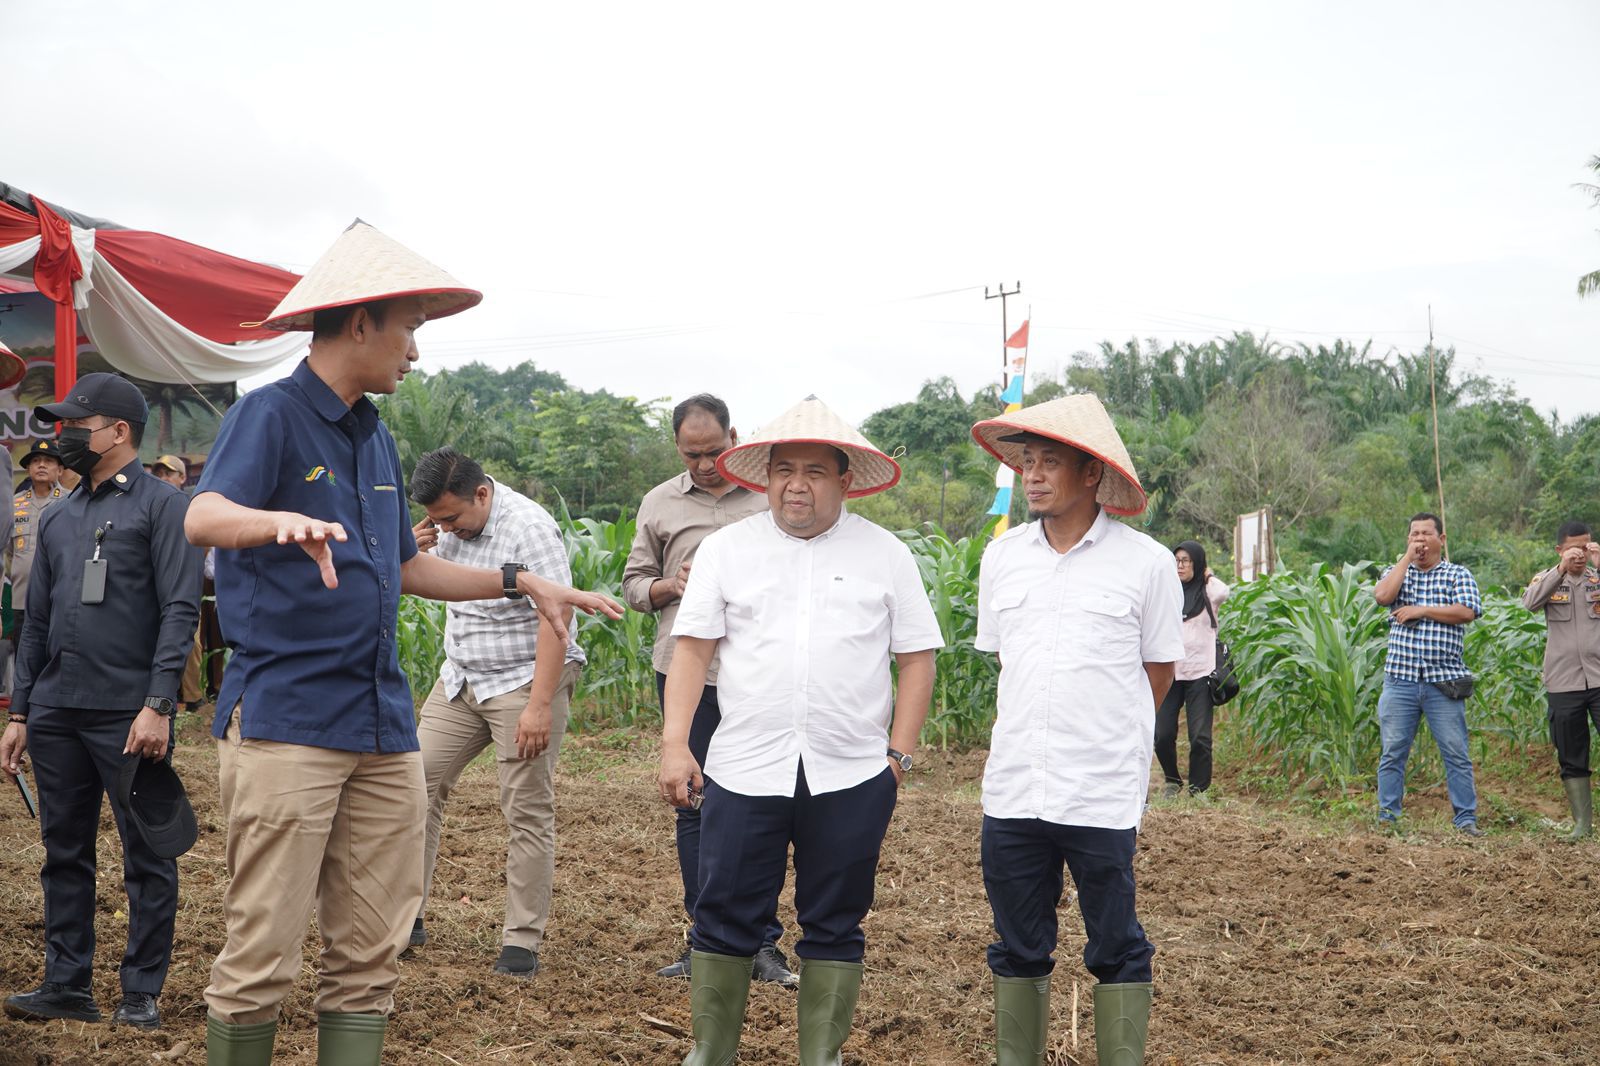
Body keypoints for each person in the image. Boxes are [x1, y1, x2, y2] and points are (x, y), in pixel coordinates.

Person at [185, 221, 621, 1066]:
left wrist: (517, 581)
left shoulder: (373, 434)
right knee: (262, 951)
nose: (416, 352)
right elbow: (204, 515)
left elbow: (411, 564)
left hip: (382, 724)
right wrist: (277, 520)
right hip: (289, 719)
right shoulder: (270, 416)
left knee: (370, 951)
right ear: (359, 323)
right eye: (410, 328)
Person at [656, 395, 941, 1065]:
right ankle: (711, 1051)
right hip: (744, 765)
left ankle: (823, 1055)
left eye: (814, 472)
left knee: (835, 919)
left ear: (845, 481)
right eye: (784, 470)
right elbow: (692, 650)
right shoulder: (729, 549)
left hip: (851, 771)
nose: (796, 485)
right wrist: (675, 744)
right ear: (765, 477)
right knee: (723, 914)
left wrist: (896, 757)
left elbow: (917, 659)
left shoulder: (886, 554)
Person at [969, 394, 1184, 1066]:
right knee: (1017, 945)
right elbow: (1013, 659)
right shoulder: (1002, 558)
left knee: (1116, 945)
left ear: (1092, 474)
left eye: (1048, 462)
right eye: (1025, 462)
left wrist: (1106, 732)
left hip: (1099, 788)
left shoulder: (1145, 562)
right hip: (1015, 786)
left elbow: (1159, 670)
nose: (1031, 475)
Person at [0, 373, 203, 1031]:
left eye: (75, 426)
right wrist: (21, 713)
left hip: (129, 712)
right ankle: (67, 983)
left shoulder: (162, 507)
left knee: (146, 853)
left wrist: (158, 702)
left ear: (118, 432)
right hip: (58, 710)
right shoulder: (57, 517)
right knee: (64, 850)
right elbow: (36, 622)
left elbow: (180, 607)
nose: (61, 438)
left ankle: (140, 991)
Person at [623, 393, 793, 987]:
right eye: (691, 454)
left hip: (759, 672)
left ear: (734, 438)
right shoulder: (659, 503)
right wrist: (673, 584)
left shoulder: (770, 496)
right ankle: (706, 940)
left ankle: (764, 945)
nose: (703, 464)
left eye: (714, 452)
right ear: (677, 448)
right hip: (686, 671)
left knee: (764, 804)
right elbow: (634, 586)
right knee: (694, 805)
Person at [407, 446, 586, 977]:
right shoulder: (442, 529)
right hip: (461, 678)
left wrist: (538, 706)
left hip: (524, 679)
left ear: (482, 494)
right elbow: (425, 573)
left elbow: (559, 616)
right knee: (413, 787)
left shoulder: (528, 527)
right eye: (437, 520)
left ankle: (521, 941)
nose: (446, 530)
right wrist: (412, 550)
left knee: (525, 807)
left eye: (453, 519)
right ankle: (405, 915)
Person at [1372, 512, 1483, 836]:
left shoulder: (1456, 575)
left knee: (1455, 752)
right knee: (1393, 751)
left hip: (1442, 682)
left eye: (1425, 534)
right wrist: (1405, 559)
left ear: (1441, 539)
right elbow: (1382, 596)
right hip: (1401, 680)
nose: (1419, 540)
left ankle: (1465, 820)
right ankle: (1387, 817)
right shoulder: (1397, 573)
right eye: (1413, 535)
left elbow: (1466, 611)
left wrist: (1422, 610)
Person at [1521, 520, 1600, 840]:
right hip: (1564, 682)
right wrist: (1560, 570)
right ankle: (1582, 824)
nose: (1580, 554)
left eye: (1586, 546)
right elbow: (1528, 602)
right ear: (1559, 550)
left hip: (1599, 679)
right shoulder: (1549, 579)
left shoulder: (1598, 577)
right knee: (1571, 753)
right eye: (1573, 548)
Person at [1154, 540, 1230, 797]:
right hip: (1171, 673)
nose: (1180, 565)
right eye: (1176, 560)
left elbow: (1224, 591)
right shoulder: (1168, 592)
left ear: (1197, 563)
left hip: (1201, 673)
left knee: (1200, 737)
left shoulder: (1209, 592)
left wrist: (1208, 574)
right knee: (1162, 733)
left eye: (1186, 560)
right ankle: (1172, 780)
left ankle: (1198, 790)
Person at [5, 438, 67, 659]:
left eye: (49, 461)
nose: (41, 465)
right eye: (36, 461)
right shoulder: (15, 504)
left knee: (55, 660)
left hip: (58, 600)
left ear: (60, 469)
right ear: (28, 468)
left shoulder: (72, 502)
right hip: (22, 599)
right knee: (24, 659)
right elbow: (10, 551)